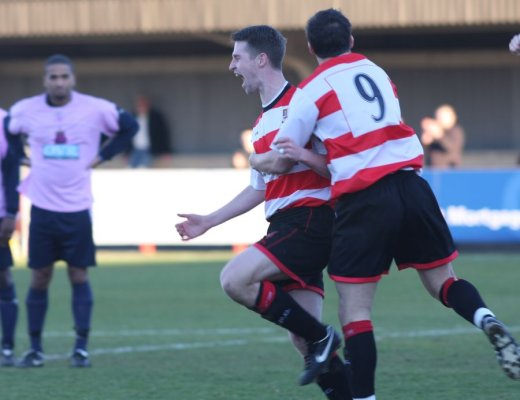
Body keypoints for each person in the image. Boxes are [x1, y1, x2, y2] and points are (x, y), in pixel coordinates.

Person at [250, 9, 520, 399]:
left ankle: (365, 398)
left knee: (354, 312)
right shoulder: (377, 72)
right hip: (412, 186)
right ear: (352, 41)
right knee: (445, 281)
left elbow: (280, 159)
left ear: (310, 48)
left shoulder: (311, 90)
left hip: (364, 198)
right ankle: (486, 318)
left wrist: (254, 159)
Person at [176, 25, 351, 399]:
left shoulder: (303, 104)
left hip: (310, 220)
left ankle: (323, 337)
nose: (231, 66)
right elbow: (259, 188)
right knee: (302, 341)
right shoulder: (261, 124)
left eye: (237, 57)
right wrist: (208, 221)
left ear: (260, 59)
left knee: (234, 279)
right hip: (287, 224)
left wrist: (294, 159)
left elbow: (336, 166)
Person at [5, 54, 138, 368]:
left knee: (78, 274)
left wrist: (103, 155)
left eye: (64, 76)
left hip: (77, 208)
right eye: (53, 77)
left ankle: (81, 347)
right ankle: (35, 348)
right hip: (41, 207)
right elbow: (8, 130)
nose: (59, 82)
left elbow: (129, 126)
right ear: (45, 80)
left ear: (73, 79)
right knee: (39, 277)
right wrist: (18, 157)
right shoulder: (26, 110)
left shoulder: (94, 108)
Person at [0, 109, 20, 367]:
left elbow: (12, 168)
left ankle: (7, 346)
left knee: (2, 275)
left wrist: (11, 212)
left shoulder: (5, 121)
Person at [128, 94, 172, 168]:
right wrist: (127, 152)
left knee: (145, 169)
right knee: (131, 169)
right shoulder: (132, 117)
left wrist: (165, 151)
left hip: (149, 150)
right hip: (135, 150)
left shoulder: (156, 117)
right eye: (140, 104)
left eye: (144, 104)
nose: (142, 106)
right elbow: (127, 135)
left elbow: (162, 135)